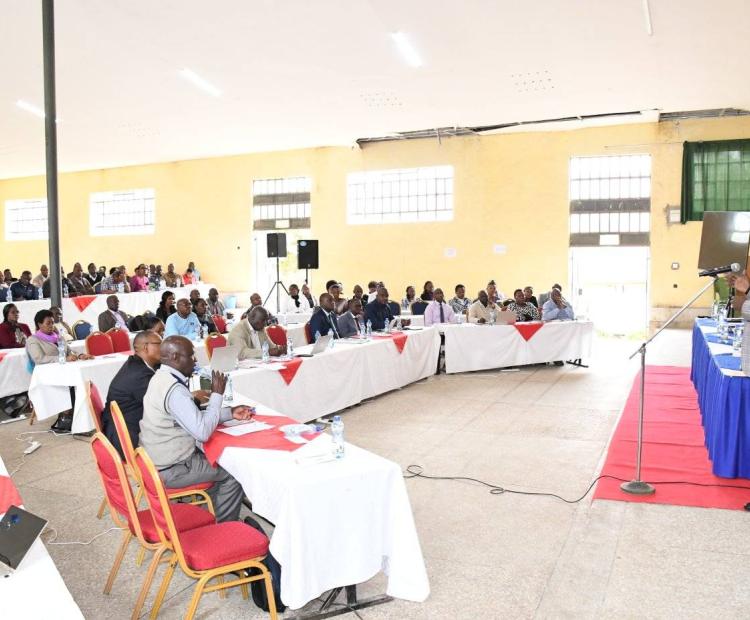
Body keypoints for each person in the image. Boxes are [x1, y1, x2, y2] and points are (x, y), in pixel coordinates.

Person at [139, 336, 253, 522]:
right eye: (191, 356)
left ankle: (209, 516)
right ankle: (224, 527)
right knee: (234, 472)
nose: (195, 361)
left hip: (156, 460)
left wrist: (229, 413)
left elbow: (190, 418)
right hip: (171, 468)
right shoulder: (174, 390)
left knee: (217, 466)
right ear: (175, 357)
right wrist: (217, 394)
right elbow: (202, 432)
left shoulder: (160, 377)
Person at [26, 309, 94, 431]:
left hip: (63, 370)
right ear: (39, 324)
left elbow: (69, 351)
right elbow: (39, 358)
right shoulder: (33, 340)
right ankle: (66, 416)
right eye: (48, 323)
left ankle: (84, 415)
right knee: (74, 382)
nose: (51, 326)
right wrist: (63, 358)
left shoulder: (58, 337)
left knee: (85, 379)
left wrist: (79, 356)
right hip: (46, 374)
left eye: (52, 323)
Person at [102, 331, 162, 458]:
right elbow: (163, 406)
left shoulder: (137, 364)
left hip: (127, 427)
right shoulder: (139, 375)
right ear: (146, 347)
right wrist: (194, 400)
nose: (164, 347)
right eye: (159, 344)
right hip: (126, 438)